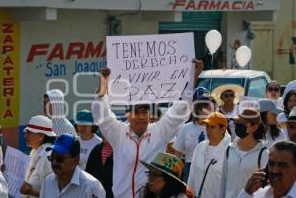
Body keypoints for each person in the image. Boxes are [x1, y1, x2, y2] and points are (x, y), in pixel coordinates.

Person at [91, 61, 203, 198]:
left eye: (145, 112)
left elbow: (180, 110)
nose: (141, 117)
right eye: (136, 112)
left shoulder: (159, 132)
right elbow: (101, 116)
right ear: (127, 115)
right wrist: (102, 87)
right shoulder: (118, 133)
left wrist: (192, 78)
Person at [220, 108, 269, 198]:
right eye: (236, 122)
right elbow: (223, 182)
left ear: (254, 127)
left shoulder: (263, 153)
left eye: (242, 123)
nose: (237, 125)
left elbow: (264, 187)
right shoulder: (229, 149)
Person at [40, 133, 105, 198]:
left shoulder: (91, 187)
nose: (54, 162)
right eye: (51, 157)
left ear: (76, 160)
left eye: (60, 159)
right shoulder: (47, 182)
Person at [187, 112, 231, 198]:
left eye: (212, 127)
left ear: (223, 129)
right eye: (207, 127)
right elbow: (192, 175)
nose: (209, 130)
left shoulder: (230, 151)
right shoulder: (200, 147)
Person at [173, 96, 215, 182]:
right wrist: (175, 175)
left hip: (211, 169)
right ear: (199, 110)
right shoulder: (186, 128)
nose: (213, 112)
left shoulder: (218, 128)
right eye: (209, 108)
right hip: (190, 169)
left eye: (213, 108)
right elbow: (177, 154)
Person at [20, 115, 56, 198]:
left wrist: (32, 192)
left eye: (29, 132)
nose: (25, 136)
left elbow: (55, 195)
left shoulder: (49, 158)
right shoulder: (36, 153)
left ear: (41, 136)